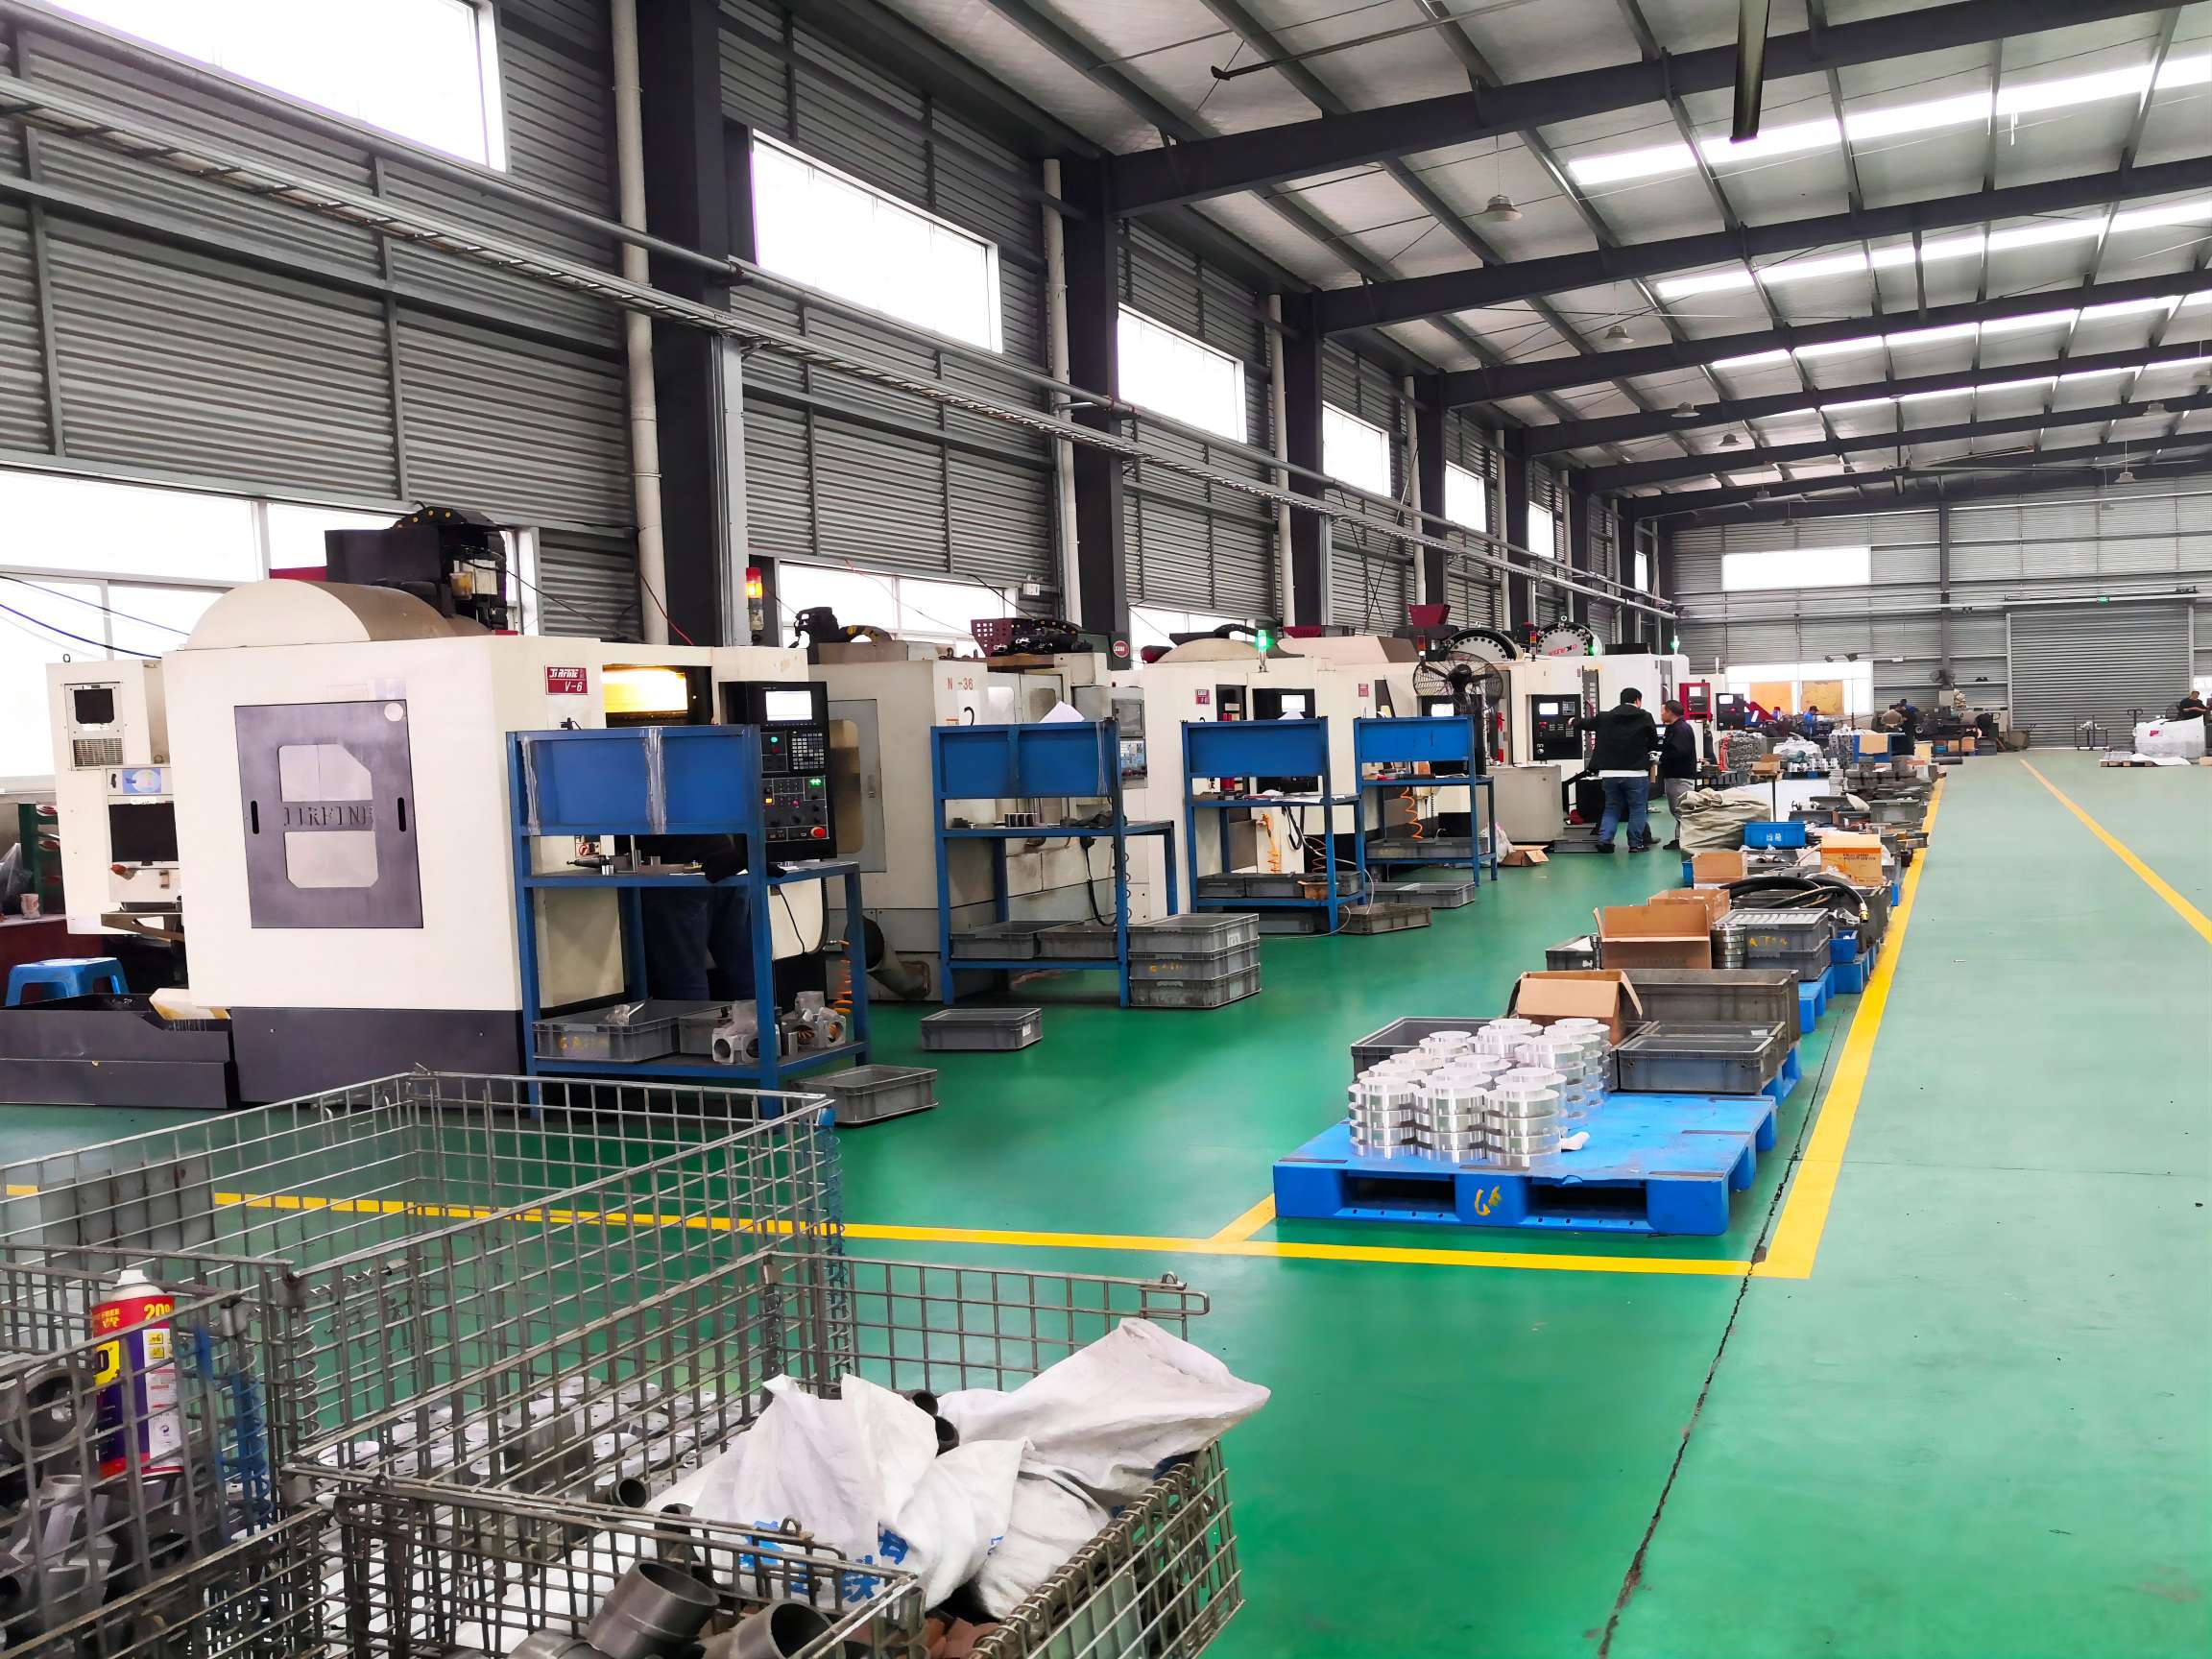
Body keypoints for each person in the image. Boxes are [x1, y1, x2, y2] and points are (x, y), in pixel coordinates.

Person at [1575, 686, 1659, 854]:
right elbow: (1653, 741)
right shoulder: (1645, 716)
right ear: (1637, 701)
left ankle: (1605, 840)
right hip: (1636, 773)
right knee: (1637, 809)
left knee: (1612, 807)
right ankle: (1635, 844)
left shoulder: (1604, 717)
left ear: (1621, 700)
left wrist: (1572, 721)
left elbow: (1586, 723)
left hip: (1610, 773)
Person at [1655, 699, 1700, 850]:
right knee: (1679, 810)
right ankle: (1680, 839)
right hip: (1676, 776)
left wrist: (1661, 759)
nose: (1661, 714)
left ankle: (1686, 841)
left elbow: (1680, 752)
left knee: (1682, 810)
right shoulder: (1675, 728)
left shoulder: (1680, 729)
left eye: (1663, 711)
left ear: (1670, 712)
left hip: (1680, 777)